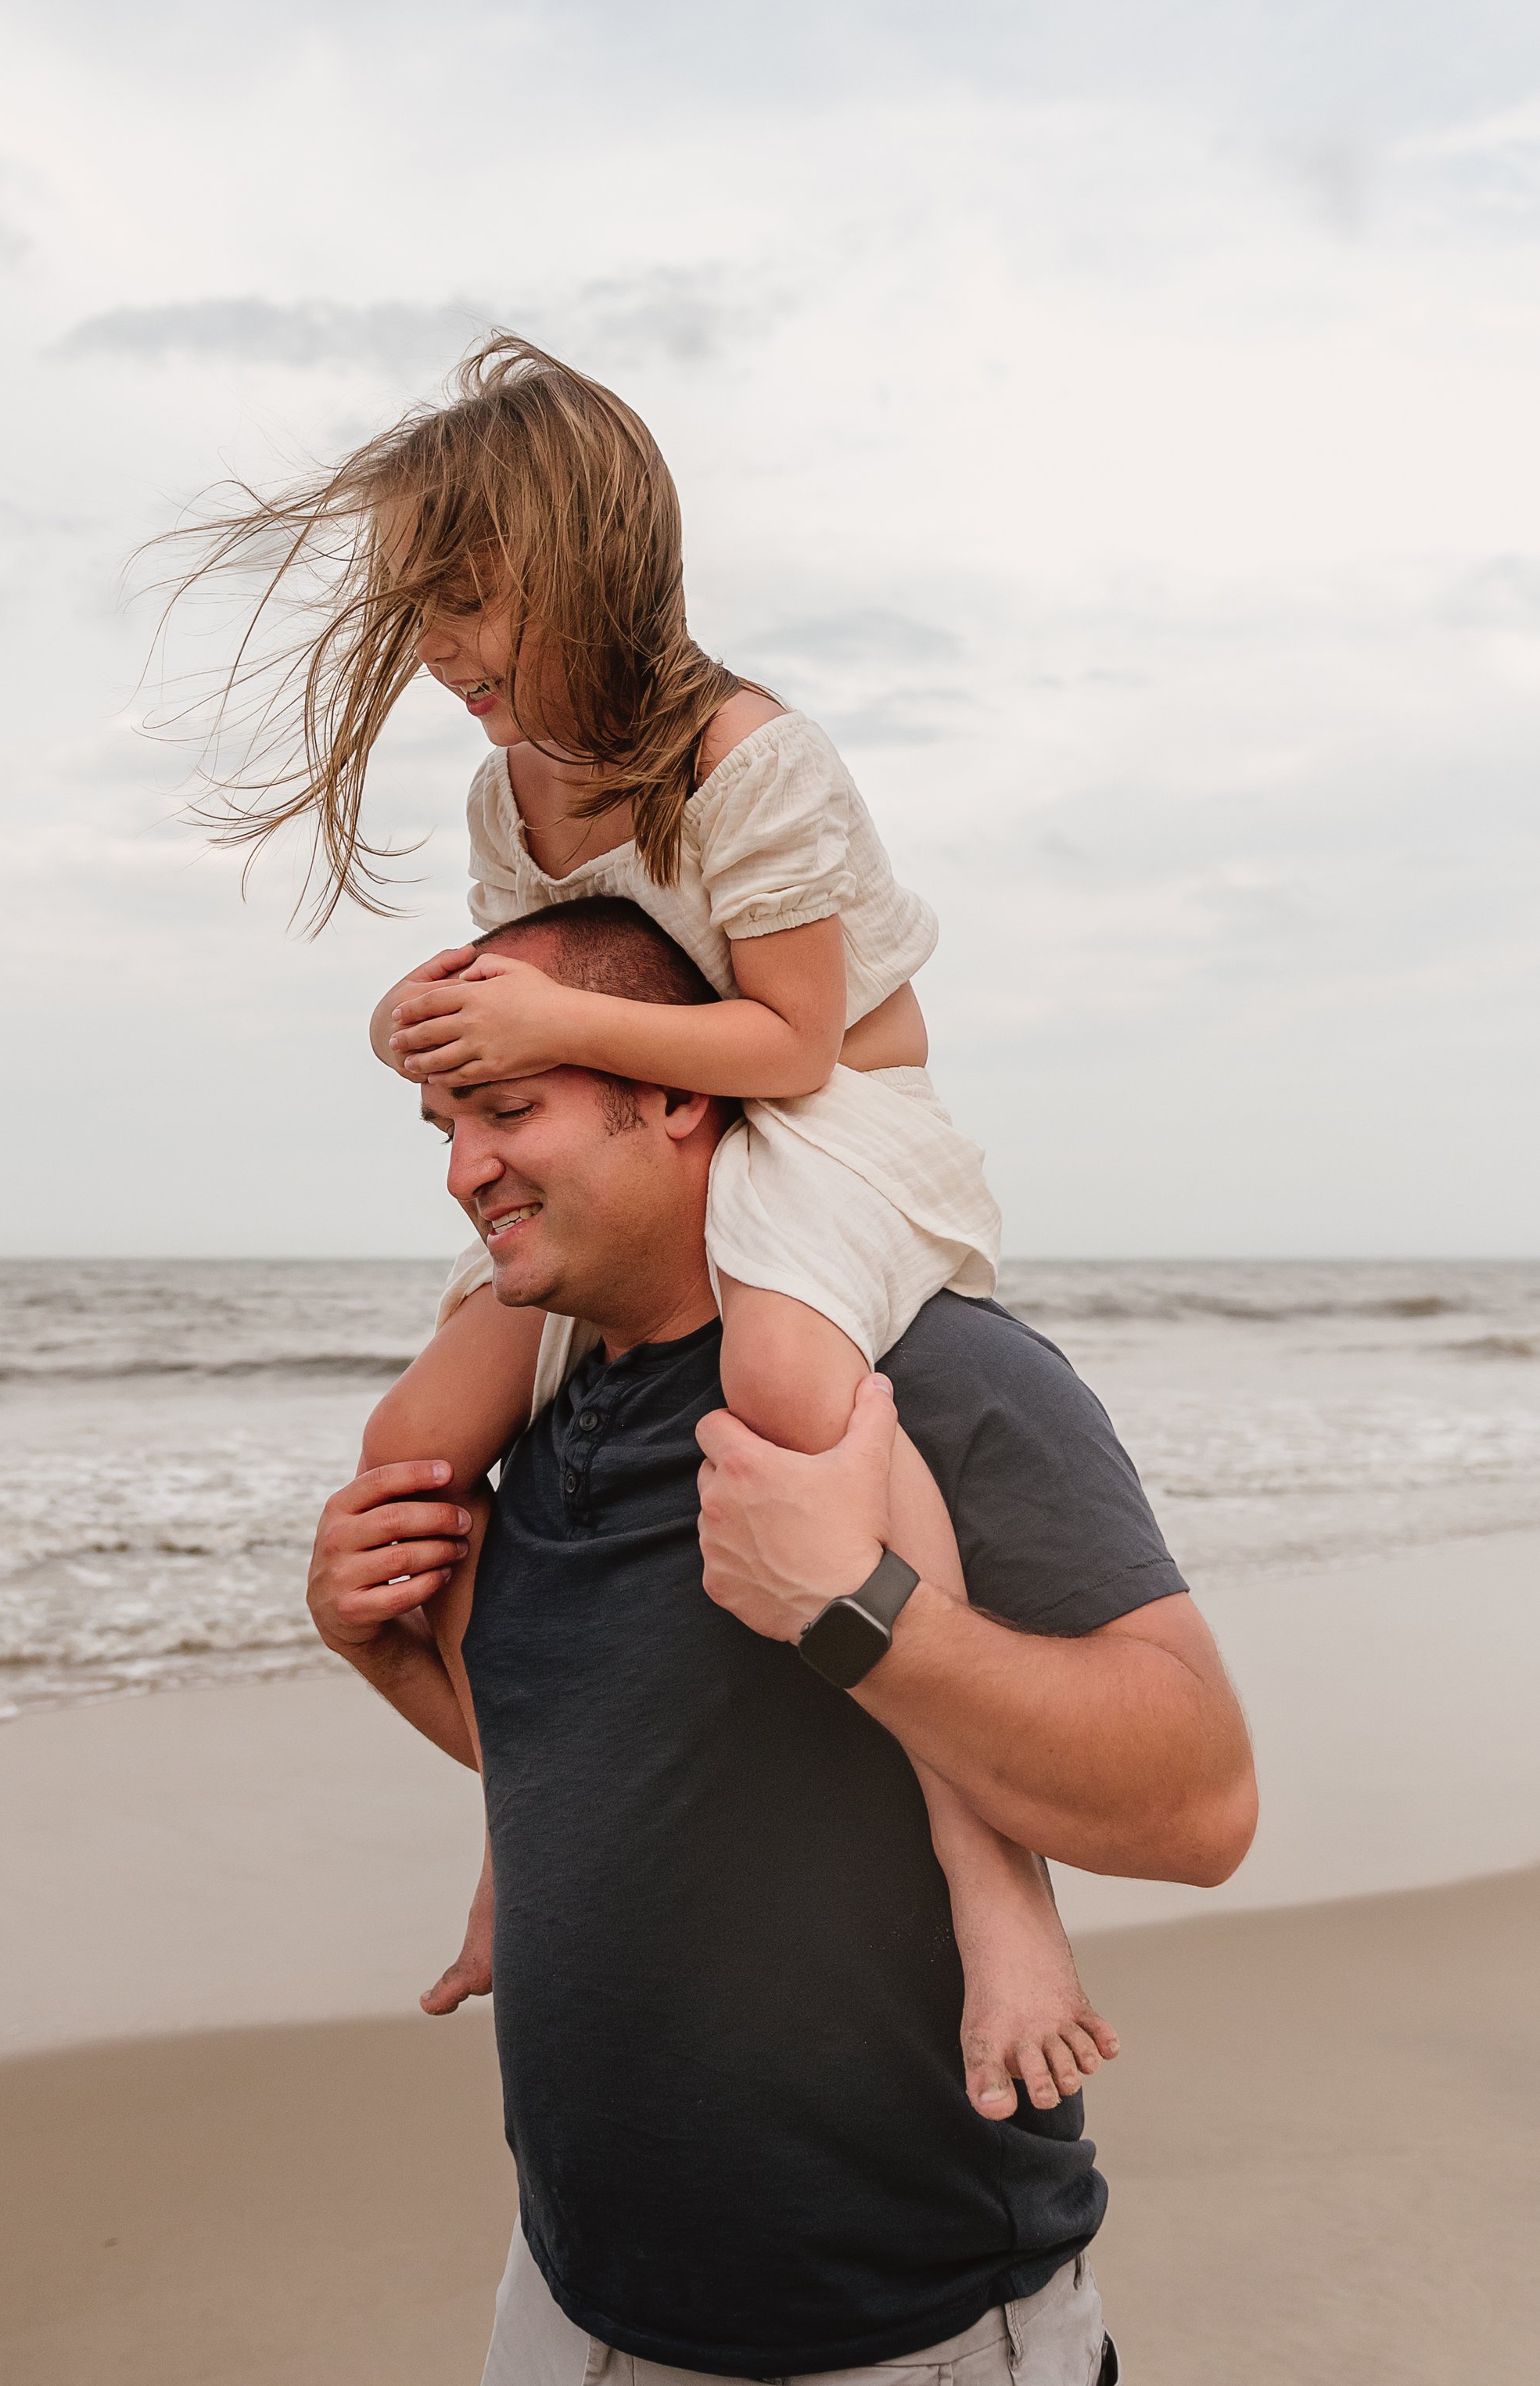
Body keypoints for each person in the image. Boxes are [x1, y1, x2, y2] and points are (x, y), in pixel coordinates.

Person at [165, 331, 1100, 2114]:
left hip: (822, 1113)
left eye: (465, 604)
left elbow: (789, 1034)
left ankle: (998, 1889)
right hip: (647, 1118)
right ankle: (540, 1826)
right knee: (411, 1442)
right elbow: (534, 988)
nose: (439, 652)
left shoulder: (750, 756)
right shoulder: (502, 786)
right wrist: (427, 1027)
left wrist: (554, 1034)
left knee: (786, 1378)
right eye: (414, 616)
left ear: (587, 561)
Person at [307, 897, 1258, 2383]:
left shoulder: (933, 1374)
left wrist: (859, 1608)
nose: (462, 1167)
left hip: (912, 2336)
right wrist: (390, 1653)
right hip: (569, 2306)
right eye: (442, 1124)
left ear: (678, 1091)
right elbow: (619, 1777)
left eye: (503, 1110)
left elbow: (1202, 1805)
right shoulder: (550, 1408)